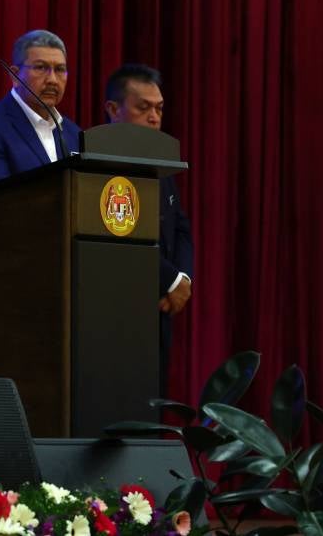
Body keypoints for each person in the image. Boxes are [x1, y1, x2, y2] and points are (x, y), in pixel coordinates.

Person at [104, 63, 194, 396]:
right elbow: (117, 234)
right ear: (114, 109)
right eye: (143, 108)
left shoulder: (161, 162)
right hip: (117, 311)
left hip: (160, 309)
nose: (154, 117)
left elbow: (180, 225)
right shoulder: (99, 162)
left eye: (159, 109)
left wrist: (183, 277)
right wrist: (168, 278)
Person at [0, 29, 81, 183]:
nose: (52, 79)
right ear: (15, 75)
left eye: (60, 69)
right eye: (41, 67)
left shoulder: (75, 134)